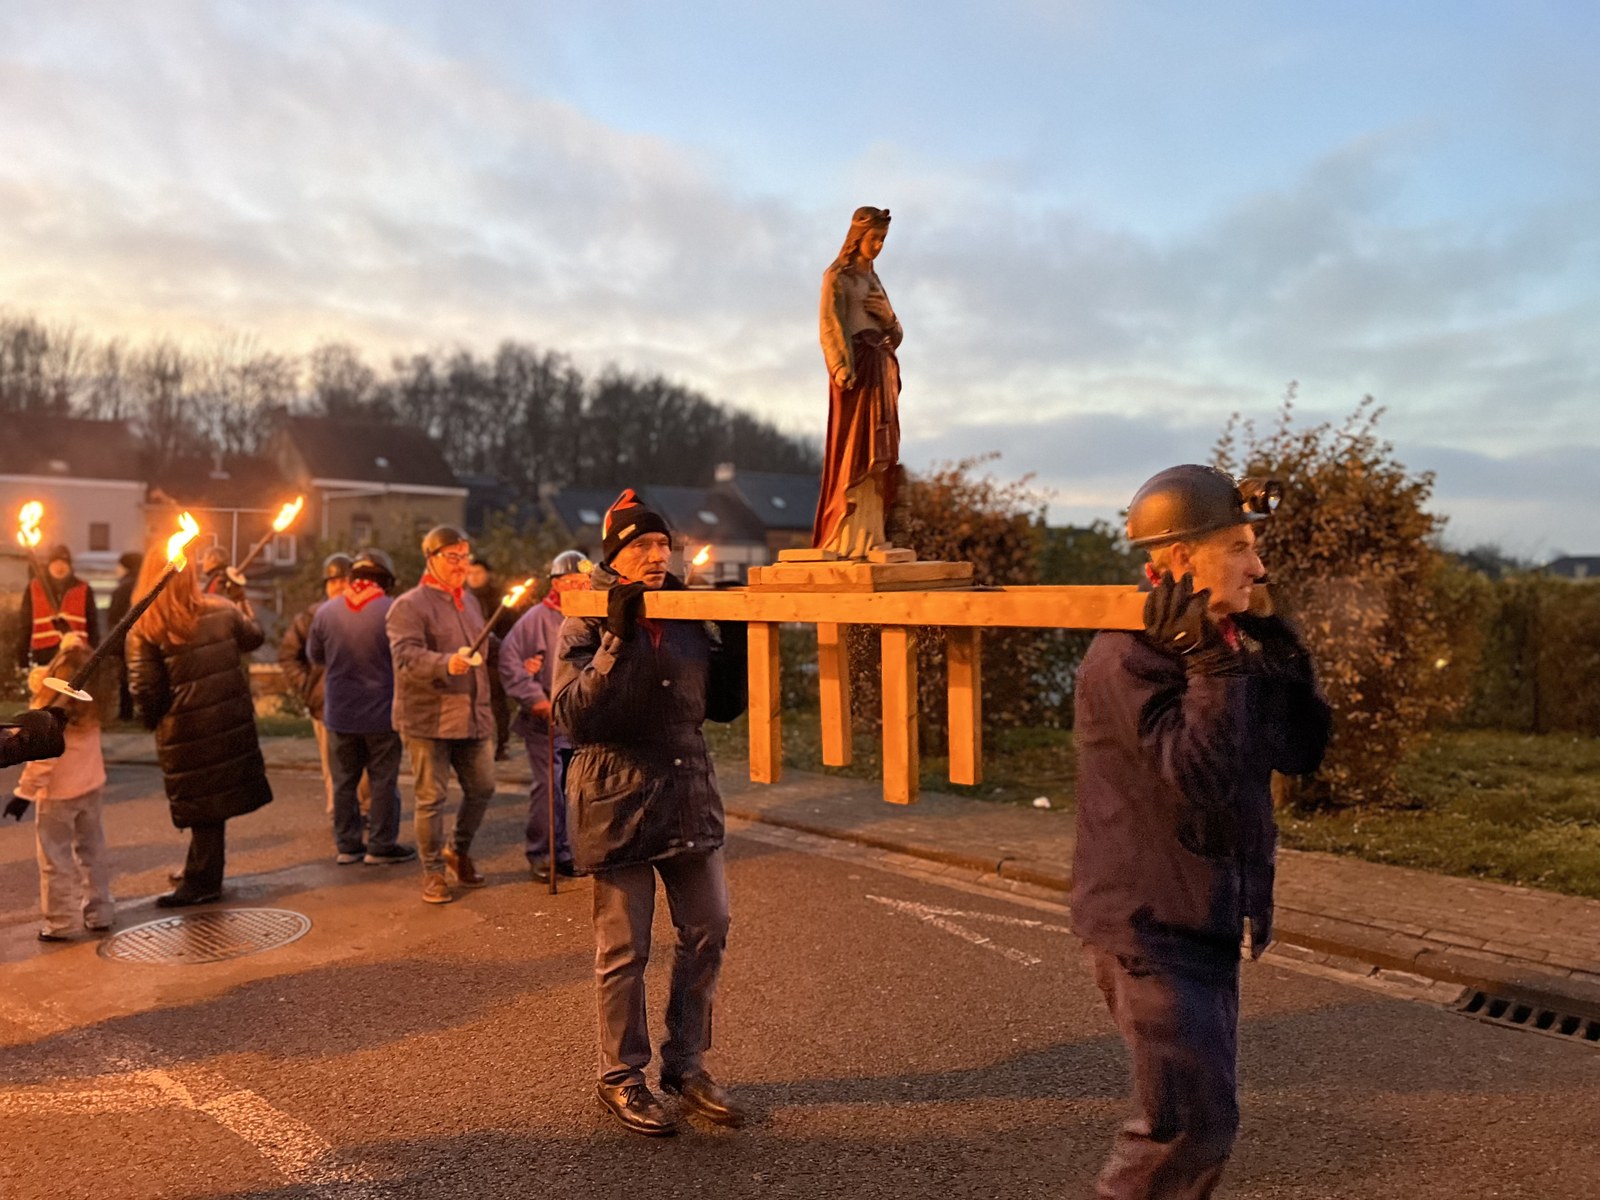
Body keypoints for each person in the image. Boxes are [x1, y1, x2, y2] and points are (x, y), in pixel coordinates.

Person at [1071, 465, 1331, 1199]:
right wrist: (1213, 665)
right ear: (1183, 558)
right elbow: (1199, 774)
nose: (1259, 566)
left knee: (1199, 1125)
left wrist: (1281, 654)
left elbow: (1299, 751)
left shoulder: (1221, 643)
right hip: (1152, 926)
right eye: (1240, 548)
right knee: (1184, 1131)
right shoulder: (1129, 656)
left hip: (1206, 913)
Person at [553, 490, 748, 1137]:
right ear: (616, 555)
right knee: (625, 948)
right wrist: (616, 638)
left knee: (709, 927)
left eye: (664, 544)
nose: (658, 554)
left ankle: (686, 1066)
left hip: (688, 793)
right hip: (616, 798)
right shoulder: (585, 617)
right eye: (643, 545)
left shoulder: (685, 610)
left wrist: (736, 643)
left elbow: (721, 707)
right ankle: (621, 1076)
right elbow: (573, 717)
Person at [126, 539, 273, 907]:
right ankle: (199, 869)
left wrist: (153, 721)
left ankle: (203, 882)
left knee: (204, 806)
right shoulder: (222, 609)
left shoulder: (146, 624)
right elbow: (255, 636)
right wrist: (240, 599)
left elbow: (145, 690)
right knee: (209, 803)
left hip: (185, 729)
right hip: (226, 722)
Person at [386, 524, 498, 905]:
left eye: (465, 557)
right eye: (452, 557)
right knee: (431, 798)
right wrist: (445, 663)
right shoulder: (409, 605)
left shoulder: (470, 602)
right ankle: (433, 870)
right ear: (430, 558)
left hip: (472, 715)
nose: (461, 564)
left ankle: (457, 850)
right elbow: (405, 656)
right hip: (428, 718)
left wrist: (521, 655)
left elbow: (486, 643)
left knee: (483, 787)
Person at [308, 549, 415, 867]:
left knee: (344, 782)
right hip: (382, 714)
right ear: (386, 579)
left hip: (339, 713)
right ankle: (380, 846)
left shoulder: (326, 611)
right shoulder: (393, 610)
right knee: (383, 781)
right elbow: (406, 658)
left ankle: (347, 846)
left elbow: (315, 657)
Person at [9, 635, 114, 942]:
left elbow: (42, 761)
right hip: (91, 787)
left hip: (57, 796)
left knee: (55, 860)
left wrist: (23, 794)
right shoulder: (94, 707)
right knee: (93, 852)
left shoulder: (48, 712)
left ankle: (60, 922)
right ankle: (101, 912)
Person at [812, 205, 903, 558]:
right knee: (855, 449)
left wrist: (889, 318)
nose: (878, 246)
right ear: (857, 237)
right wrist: (840, 367)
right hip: (857, 371)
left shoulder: (875, 281)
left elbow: (896, 335)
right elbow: (829, 324)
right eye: (873, 238)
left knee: (881, 451)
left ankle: (873, 534)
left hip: (882, 369)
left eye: (882, 240)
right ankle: (846, 536)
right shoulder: (837, 276)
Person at [500, 549, 587, 882]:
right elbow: (509, 661)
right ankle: (541, 852)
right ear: (558, 583)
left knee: (575, 790)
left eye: (584, 581)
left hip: (579, 719)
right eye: (572, 581)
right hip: (545, 722)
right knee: (549, 789)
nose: (579, 587)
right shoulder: (536, 618)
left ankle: (566, 850)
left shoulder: (590, 615)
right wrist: (534, 698)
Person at [279, 553, 360, 815]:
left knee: (364, 764)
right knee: (332, 761)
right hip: (324, 703)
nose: (339, 586)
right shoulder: (311, 618)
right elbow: (288, 655)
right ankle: (339, 811)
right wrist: (308, 687)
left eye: (345, 580)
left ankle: (365, 808)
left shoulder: (366, 613)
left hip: (362, 702)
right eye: (333, 581)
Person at [16, 543, 100, 670]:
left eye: (63, 563)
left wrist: (93, 656)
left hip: (76, 655)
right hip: (44, 654)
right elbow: (25, 625)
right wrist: (23, 660)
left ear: (70, 566)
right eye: (55, 563)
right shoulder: (35, 588)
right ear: (49, 565)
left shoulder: (84, 589)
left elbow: (93, 626)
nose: (59, 567)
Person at [467, 555, 515, 761]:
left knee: (496, 701)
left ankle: (500, 744)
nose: (473, 577)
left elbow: (511, 628)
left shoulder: (500, 599)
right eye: (469, 573)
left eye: (478, 572)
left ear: (487, 574)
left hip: (495, 659)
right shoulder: (463, 598)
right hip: (469, 658)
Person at [106, 550, 144, 722]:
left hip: (125, 639)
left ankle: (126, 713)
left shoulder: (123, 588)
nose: (117, 569)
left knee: (125, 676)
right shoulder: (148, 583)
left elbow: (114, 616)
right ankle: (144, 711)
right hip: (145, 637)